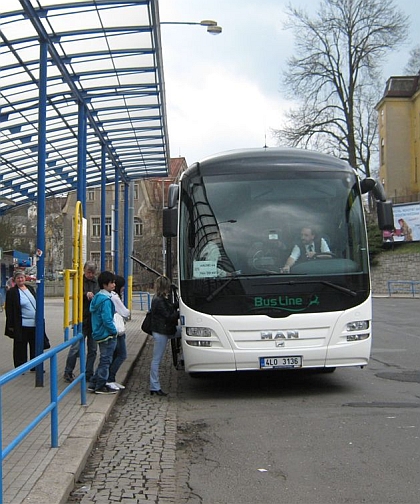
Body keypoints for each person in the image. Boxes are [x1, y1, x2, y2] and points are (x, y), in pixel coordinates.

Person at [63, 261, 99, 382]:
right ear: (84, 270)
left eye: (93, 273)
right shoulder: (79, 281)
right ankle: (68, 371)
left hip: (93, 320)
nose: (90, 275)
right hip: (81, 318)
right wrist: (85, 294)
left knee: (93, 349)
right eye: (89, 272)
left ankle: (89, 373)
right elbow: (75, 293)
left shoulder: (96, 282)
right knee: (76, 347)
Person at [88, 271, 118, 395]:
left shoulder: (98, 297)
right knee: (106, 360)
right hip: (106, 334)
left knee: (103, 360)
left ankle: (94, 382)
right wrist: (114, 331)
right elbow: (107, 319)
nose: (114, 285)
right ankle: (100, 385)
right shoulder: (105, 300)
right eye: (112, 282)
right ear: (105, 285)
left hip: (98, 332)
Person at [149, 276, 180, 396]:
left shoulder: (159, 298)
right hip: (161, 332)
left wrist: (178, 304)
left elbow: (170, 307)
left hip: (164, 330)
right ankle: (154, 386)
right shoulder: (159, 300)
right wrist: (180, 312)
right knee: (156, 360)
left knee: (184, 331)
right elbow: (168, 315)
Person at [4, 270, 37, 368]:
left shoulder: (30, 288)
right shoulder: (12, 292)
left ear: (25, 278)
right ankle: (20, 366)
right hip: (21, 324)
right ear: (15, 280)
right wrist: (11, 325)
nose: (20, 279)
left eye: (22, 277)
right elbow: (9, 310)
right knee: (20, 346)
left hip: (34, 323)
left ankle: (34, 365)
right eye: (18, 278)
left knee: (34, 345)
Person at [106, 275, 130, 391]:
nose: (122, 288)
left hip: (113, 329)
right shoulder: (114, 297)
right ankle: (109, 379)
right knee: (122, 355)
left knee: (114, 355)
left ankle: (110, 379)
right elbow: (125, 312)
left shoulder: (109, 295)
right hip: (118, 330)